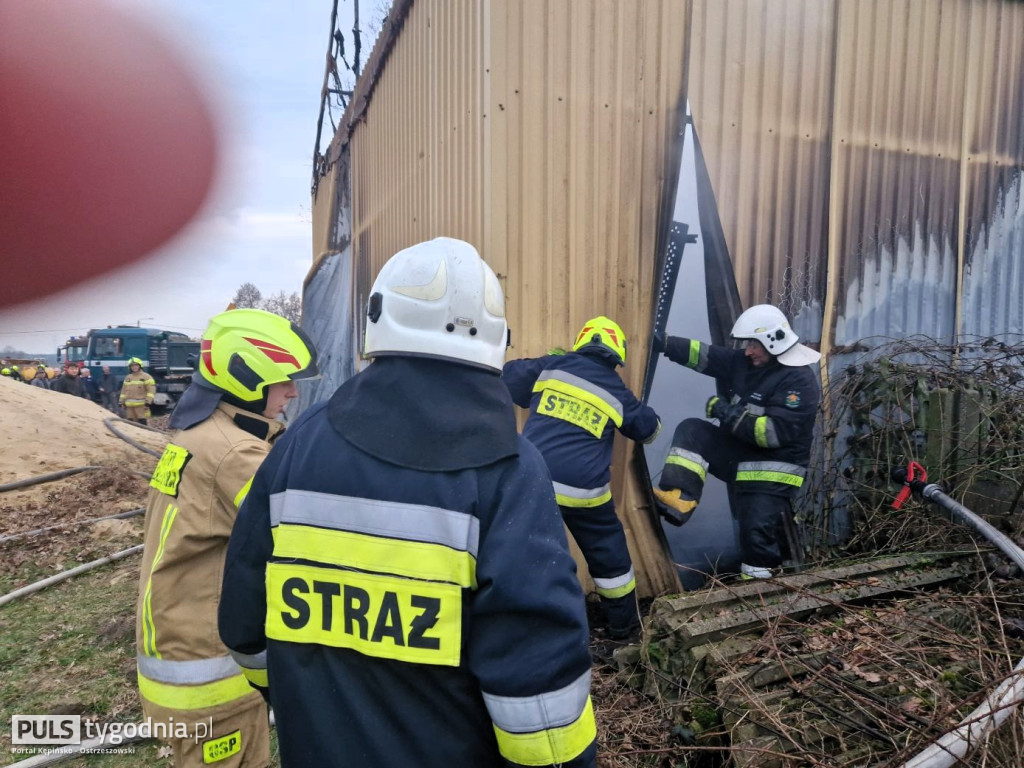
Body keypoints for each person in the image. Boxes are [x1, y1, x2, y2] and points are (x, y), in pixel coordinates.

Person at [219, 238, 597, 768]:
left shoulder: (301, 443)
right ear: (495, 338)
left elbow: (243, 623)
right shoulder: (508, 470)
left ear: (379, 320)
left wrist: (296, 699)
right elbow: (539, 696)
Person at [136, 308, 319, 768]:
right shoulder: (236, 452)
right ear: (248, 380)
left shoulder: (202, 432)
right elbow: (305, 535)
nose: (293, 392)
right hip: (210, 672)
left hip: (180, 653)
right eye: (284, 381)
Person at [502, 317, 661, 639]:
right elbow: (649, 431)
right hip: (584, 492)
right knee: (609, 556)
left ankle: (526, 628)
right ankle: (625, 630)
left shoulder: (552, 367)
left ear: (581, 343)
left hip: (534, 481)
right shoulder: (617, 390)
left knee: (524, 552)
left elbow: (508, 378)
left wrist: (547, 365)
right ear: (616, 357)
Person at [651, 304, 821, 579]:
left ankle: (760, 598)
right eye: (748, 344)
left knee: (756, 542)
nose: (748, 351)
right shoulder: (746, 362)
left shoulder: (798, 381)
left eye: (755, 345)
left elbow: (772, 434)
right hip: (741, 457)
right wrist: (665, 343)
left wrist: (725, 412)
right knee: (692, 430)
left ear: (773, 342)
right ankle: (679, 499)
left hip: (773, 472)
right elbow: (705, 355)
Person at [119, 357, 156, 424]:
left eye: (136, 365)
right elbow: (123, 391)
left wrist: (148, 402)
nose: (134, 367)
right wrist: (121, 402)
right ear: (130, 367)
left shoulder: (146, 377)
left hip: (141, 407)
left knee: (143, 424)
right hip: (129, 407)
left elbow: (151, 390)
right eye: (132, 366)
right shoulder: (128, 377)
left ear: (140, 366)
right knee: (131, 425)